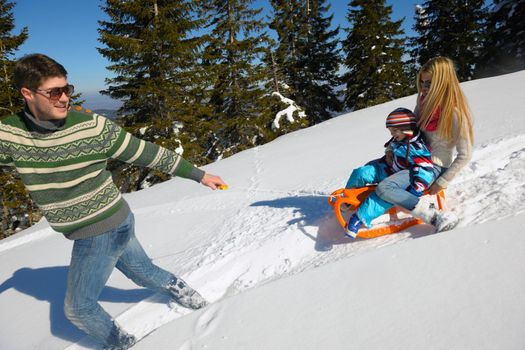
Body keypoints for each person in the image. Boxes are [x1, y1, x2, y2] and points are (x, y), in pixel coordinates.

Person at [0, 54, 227, 350]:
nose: (64, 98)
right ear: (27, 94)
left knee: (78, 308)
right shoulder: (10, 133)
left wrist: (199, 175)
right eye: (54, 92)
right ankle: (192, 298)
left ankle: (123, 345)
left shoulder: (91, 127)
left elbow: (145, 152)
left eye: (67, 89)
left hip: (100, 229)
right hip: (115, 221)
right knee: (144, 273)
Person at [376, 56, 473, 231]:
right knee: (375, 170)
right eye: (422, 83)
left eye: (429, 84)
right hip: (415, 157)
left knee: (385, 187)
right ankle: (360, 203)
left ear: (442, 83)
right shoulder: (423, 103)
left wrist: (443, 181)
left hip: (434, 166)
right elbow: (409, 131)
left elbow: (465, 155)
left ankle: (435, 216)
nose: (424, 88)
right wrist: (391, 148)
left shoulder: (455, 114)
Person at [344, 108, 434, 238]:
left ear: (406, 128)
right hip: (388, 168)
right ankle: (349, 197)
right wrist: (389, 152)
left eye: (394, 131)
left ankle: (359, 218)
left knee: (382, 193)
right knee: (361, 172)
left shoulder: (417, 147)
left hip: (403, 178)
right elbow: (392, 145)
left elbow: (425, 168)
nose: (392, 134)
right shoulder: (400, 138)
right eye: (390, 131)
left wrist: (417, 187)